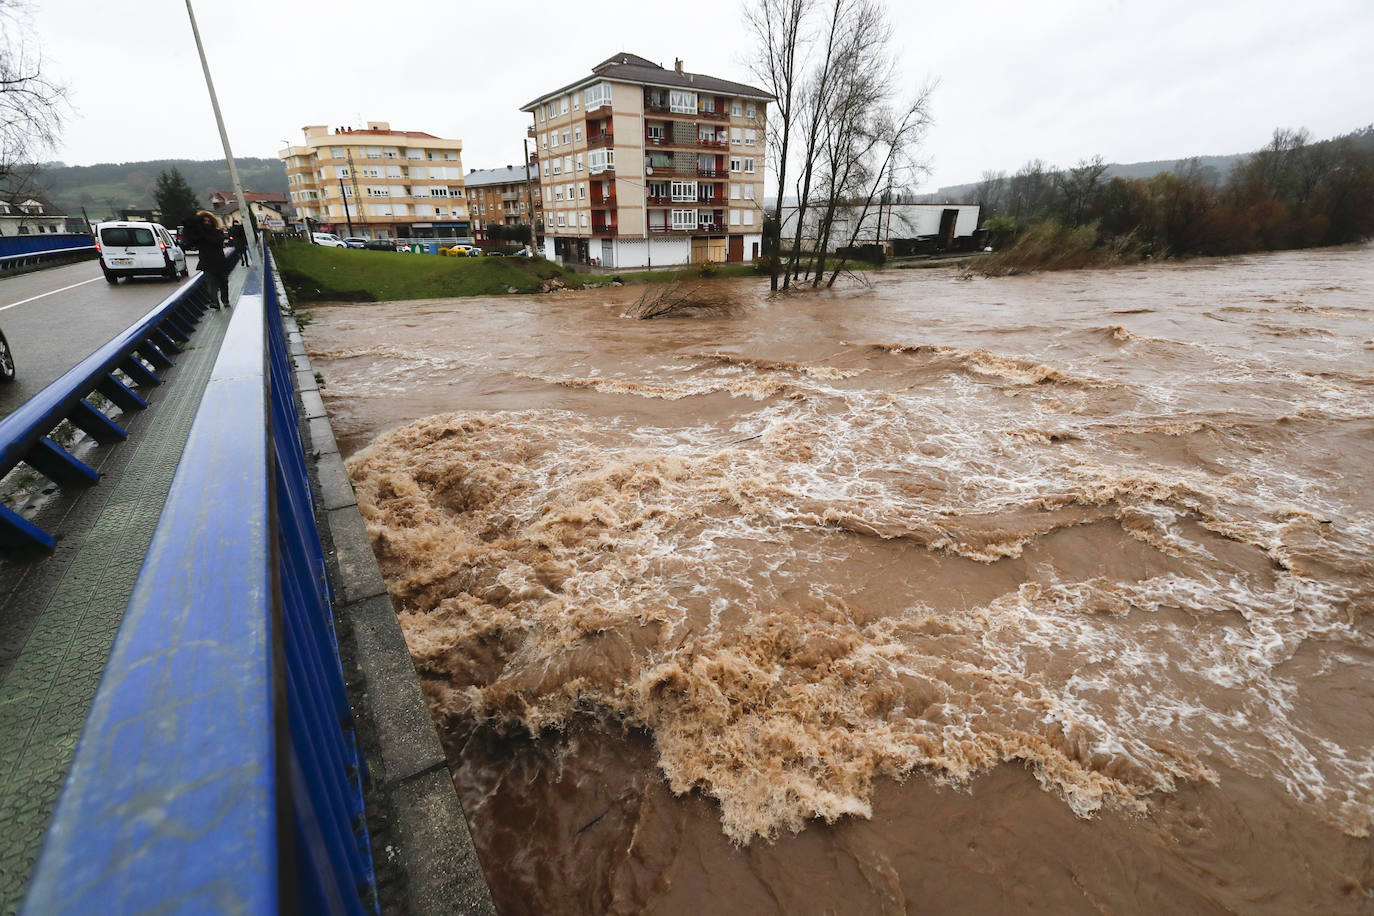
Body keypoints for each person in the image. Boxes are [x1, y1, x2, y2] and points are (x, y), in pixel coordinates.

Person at [184, 210, 230, 309]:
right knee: (210, 285)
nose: (207, 223)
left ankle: (225, 300)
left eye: (208, 221)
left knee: (223, 283)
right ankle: (215, 302)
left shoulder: (217, 232)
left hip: (219, 262)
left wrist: (204, 235)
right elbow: (190, 242)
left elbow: (217, 241)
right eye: (204, 221)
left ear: (212, 222)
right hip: (206, 263)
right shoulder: (199, 235)